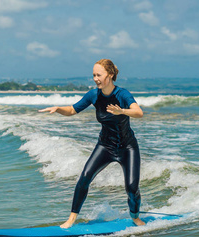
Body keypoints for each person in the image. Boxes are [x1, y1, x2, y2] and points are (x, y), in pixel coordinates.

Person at [39, 59, 145, 228]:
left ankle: (135, 217)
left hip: (127, 147)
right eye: (94, 75)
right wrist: (58, 109)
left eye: (99, 75)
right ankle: (71, 219)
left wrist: (122, 111)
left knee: (132, 187)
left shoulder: (122, 94)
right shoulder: (93, 95)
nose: (96, 78)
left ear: (110, 75)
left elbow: (139, 112)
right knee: (85, 177)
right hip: (105, 146)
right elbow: (73, 110)